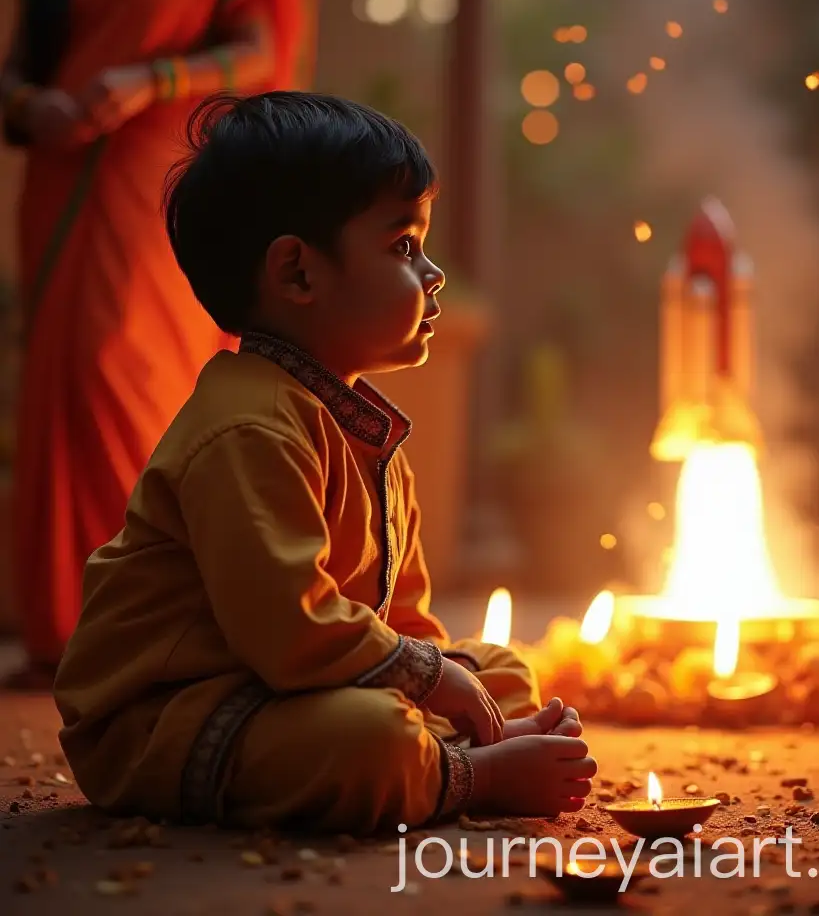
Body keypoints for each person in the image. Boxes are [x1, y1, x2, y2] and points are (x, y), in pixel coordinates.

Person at [53, 92, 597, 833]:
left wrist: (444, 675)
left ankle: (453, 756)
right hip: (174, 716)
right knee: (370, 742)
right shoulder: (247, 427)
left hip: (283, 687)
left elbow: (401, 619)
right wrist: (433, 686)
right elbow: (291, 628)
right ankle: (469, 775)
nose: (433, 273)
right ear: (298, 274)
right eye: (404, 246)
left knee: (498, 669)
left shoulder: (362, 428)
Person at [0, 0, 317, 686]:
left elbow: (261, 50)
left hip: (156, 172)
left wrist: (152, 79)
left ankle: (155, 624)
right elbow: (17, 67)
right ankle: (66, 631)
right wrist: (30, 105)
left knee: (121, 371)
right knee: (61, 388)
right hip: (61, 174)